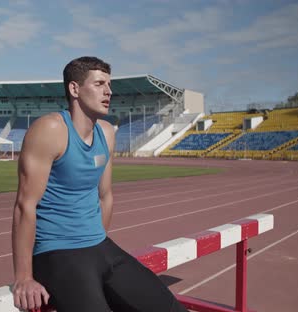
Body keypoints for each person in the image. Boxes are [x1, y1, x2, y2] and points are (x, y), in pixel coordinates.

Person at [11, 56, 187, 312]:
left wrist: (95, 240)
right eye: (99, 84)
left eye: (109, 85)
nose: (109, 92)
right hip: (57, 252)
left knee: (169, 307)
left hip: (99, 246)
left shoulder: (106, 133)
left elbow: (105, 195)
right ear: (74, 89)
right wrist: (24, 277)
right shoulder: (50, 129)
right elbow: (24, 206)